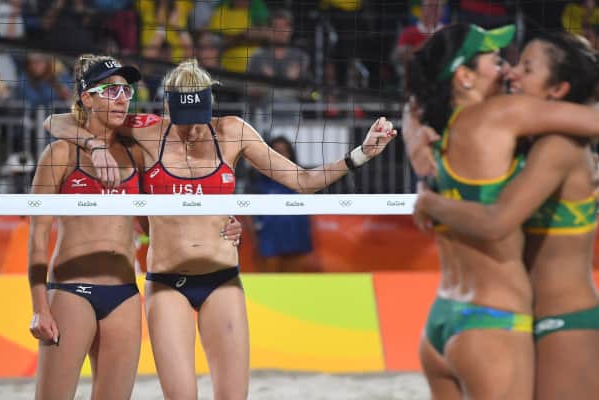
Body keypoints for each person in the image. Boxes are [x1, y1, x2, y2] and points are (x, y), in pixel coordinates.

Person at [44, 58, 396, 399]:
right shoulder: (146, 132)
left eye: (199, 118)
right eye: (184, 120)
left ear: (210, 104)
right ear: (168, 107)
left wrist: (360, 154)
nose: (192, 129)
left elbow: (303, 181)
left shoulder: (232, 132)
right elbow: (56, 121)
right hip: (167, 283)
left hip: (222, 280)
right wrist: (92, 144)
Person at [401, 23, 599, 399]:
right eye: (499, 61)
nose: (509, 71)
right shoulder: (505, 123)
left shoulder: (441, 127)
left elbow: (498, 218)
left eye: (523, 67)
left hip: (528, 321)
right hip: (497, 320)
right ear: (464, 76)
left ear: (557, 90)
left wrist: (428, 194)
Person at [27, 54, 144, 400]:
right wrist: (39, 307)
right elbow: (37, 237)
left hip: (124, 293)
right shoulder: (59, 155)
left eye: (126, 91)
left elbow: (162, 214)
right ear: (87, 98)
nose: (122, 99)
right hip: (70, 290)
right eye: (111, 91)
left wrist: (219, 221)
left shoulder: (137, 152)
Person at [245, 136, 318, 273]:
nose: (281, 155)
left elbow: (310, 210)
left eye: (284, 151)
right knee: (269, 282)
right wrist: (256, 240)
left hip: (296, 238)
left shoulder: (301, 178)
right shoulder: (257, 180)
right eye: (276, 151)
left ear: (290, 155)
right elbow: (247, 212)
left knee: (293, 282)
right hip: (270, 241)